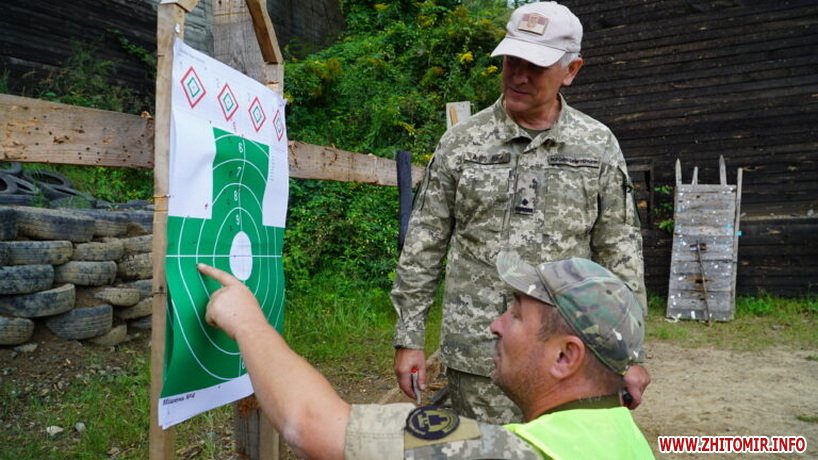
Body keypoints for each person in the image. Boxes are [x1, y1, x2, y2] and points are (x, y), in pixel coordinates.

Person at [391, 1, 650, 423]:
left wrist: (630, 354)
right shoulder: (462, 143)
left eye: (536, 66)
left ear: (571, 70)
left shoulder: (597, 145)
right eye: (512, 61)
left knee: (561, 450)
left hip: (569, 356)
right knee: (485, 450)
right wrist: (409, 338)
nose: (519, 76)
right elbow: (424, 244)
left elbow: (619, 249)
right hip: (480, 356)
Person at [197, 252, 654, 459]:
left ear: (565, 357)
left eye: (516, 315)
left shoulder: (514, 452)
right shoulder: (624, 437)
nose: (495, 324)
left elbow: (312, 426)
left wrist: (247, 323)